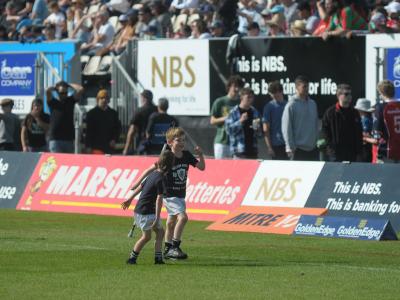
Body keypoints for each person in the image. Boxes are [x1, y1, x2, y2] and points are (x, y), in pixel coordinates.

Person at [130, 127, 205, 260]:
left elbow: (201, 167)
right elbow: (150, 169)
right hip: (169, 195)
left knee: (171, 222)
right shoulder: (167, 156)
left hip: (181, 195)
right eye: (178, 140)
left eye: (183, 140)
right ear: (170, 142)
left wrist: (200, 155)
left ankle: (167, 248)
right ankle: (175, 247)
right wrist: (137, 183)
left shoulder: (187, 155)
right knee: (183, 218)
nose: (182, 143)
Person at [122, 150, 175, 265]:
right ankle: (133, 258)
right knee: (147, 236)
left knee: (160, 233)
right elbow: (159, 199)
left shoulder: (153, 174)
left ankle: (157, 258)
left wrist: (130, 199)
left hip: (140, 210)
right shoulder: (162, 179)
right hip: (146, 212)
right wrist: (157, 218)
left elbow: (141, 187)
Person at [321, 84, 363, 162]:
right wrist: (330, 147)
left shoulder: (355, 113)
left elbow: (359, 133)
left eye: (350, 94)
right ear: (339, 95)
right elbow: (325, 131)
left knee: (351, 174)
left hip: (352, 153)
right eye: (346, 94)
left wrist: (359, 151)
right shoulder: (330, 112)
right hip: (335, 153)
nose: (349, 96)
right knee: (335, 174)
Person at [282, 75, 319, 161]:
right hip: (298, 151)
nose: (307, 89)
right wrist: (290, 147)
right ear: (297, 87)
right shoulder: (291, 105)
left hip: (313, 149)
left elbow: (315, 124)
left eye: (308, 86)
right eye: (304, 86)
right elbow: (286, 128)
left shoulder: (313, 104)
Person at [210, 75, 244, 159]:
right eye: (235, 86)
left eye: (239, 87)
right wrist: (226, 118)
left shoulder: (241, 103)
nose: (237, 89)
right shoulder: (220, 102)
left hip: (237, 143)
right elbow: (212, 121)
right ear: (229, 86)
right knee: (220, 169)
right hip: (222, 142)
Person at [46, 81, 84, 153]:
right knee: (56, 162)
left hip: (68, 139)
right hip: (55, 139)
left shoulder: (70, 100)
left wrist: (68, 84)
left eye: (65, 93)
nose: (64, 95)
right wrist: (56, 86)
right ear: (57, 92)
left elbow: (81, 89)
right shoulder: (52, 102)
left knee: (67, 162)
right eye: (61, 93)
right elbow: (47, 90)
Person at [225, 87, 261, 159]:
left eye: (252, 97)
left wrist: (257, 129)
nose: (250, 100)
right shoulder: (233, 112)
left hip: (253, 152)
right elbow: (229, 131)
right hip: (239, 152)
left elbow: (259, 135)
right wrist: (240, 121)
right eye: (248, 97)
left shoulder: (255, 112)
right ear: (241, 97)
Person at [85, 89, 121, 154]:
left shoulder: (113, 113)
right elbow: (88, 131)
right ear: (97, 99)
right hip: (96, 146)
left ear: (109, 100)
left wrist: (114, 139)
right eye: (102, 98)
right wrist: (88, 146)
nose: (104, 100)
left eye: (106, 98)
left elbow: (117, 128)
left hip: (109, 147)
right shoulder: (91, 113)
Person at [373, 79, 400, 163]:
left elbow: (376, 134)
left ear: (381, 93)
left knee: (383, 176)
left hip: (387, 151)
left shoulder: (381, 108)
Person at [123, 89, 157, 155]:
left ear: (144, 98)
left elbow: (132, 131)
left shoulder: (139, 111)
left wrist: (126, 149)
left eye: (141, 98)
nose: (140, 99)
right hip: (157, 145)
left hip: (143, 145)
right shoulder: (157, 110)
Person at [262, 81, 288, 160]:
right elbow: (266, 129)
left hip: (289, 144)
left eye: (277, 92)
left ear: (281, 91)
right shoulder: (268, 107)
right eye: (273, 93)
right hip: (277, 145)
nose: (275, 95)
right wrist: (269, 147)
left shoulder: (288, 105)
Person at [354, 98, 375, 162]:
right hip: (369, 148)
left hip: (364, 148)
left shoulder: (365, 120)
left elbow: (364, 134)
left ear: (361, 110)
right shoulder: (371, 118)